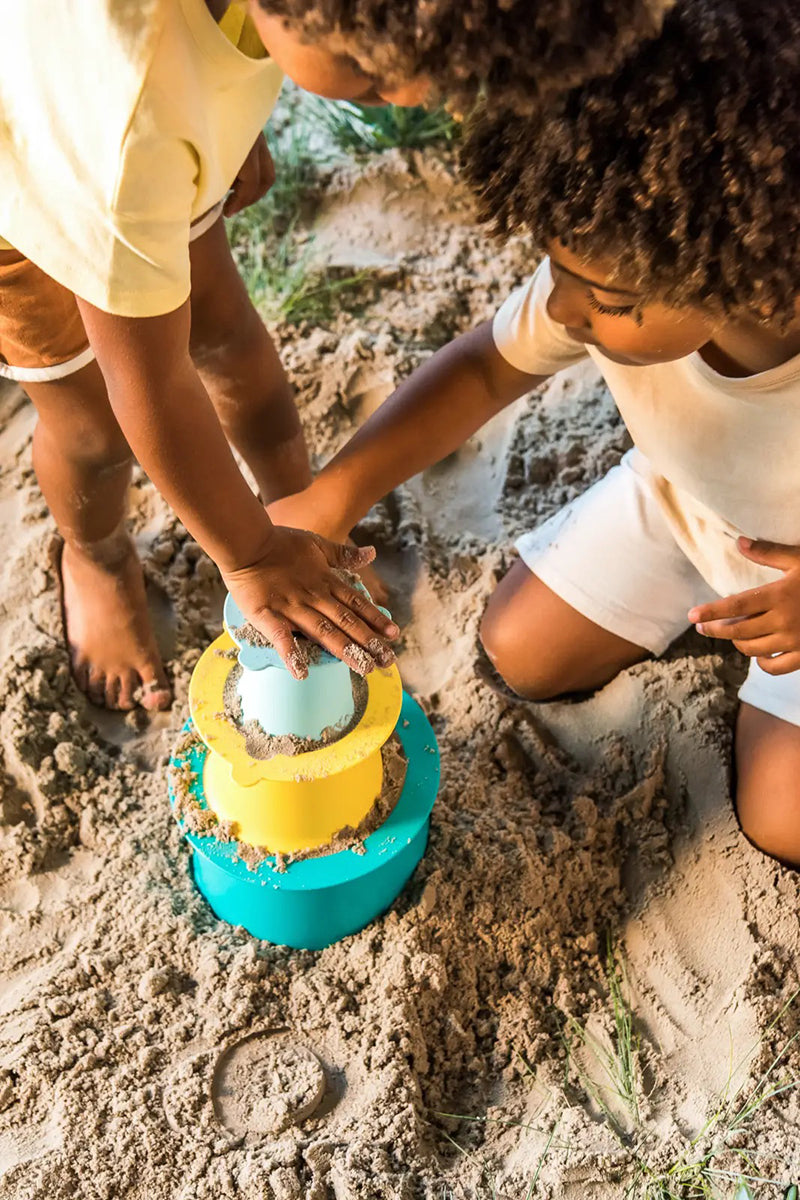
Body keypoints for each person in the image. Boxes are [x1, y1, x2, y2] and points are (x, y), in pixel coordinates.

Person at [0, 0, 666, 713]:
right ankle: (96, 554)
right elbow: (153, 388)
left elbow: (207, 68)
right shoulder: (131, 128)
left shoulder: (216, 71)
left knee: (229, 336)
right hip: (35, 190)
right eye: (374, 76)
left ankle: (300, 511)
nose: (406, 97)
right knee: (92, 424)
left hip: (163, 126)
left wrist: (229, 118)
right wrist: (250, 559)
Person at [266, 0, 800, 866]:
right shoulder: (603, 265)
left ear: (740, 268)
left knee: (782, 818)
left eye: (608, 300)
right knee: (519, 651)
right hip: (682, 499)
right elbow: (482, 369)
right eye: (557, 268)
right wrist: (333, 496)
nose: (565, 308)